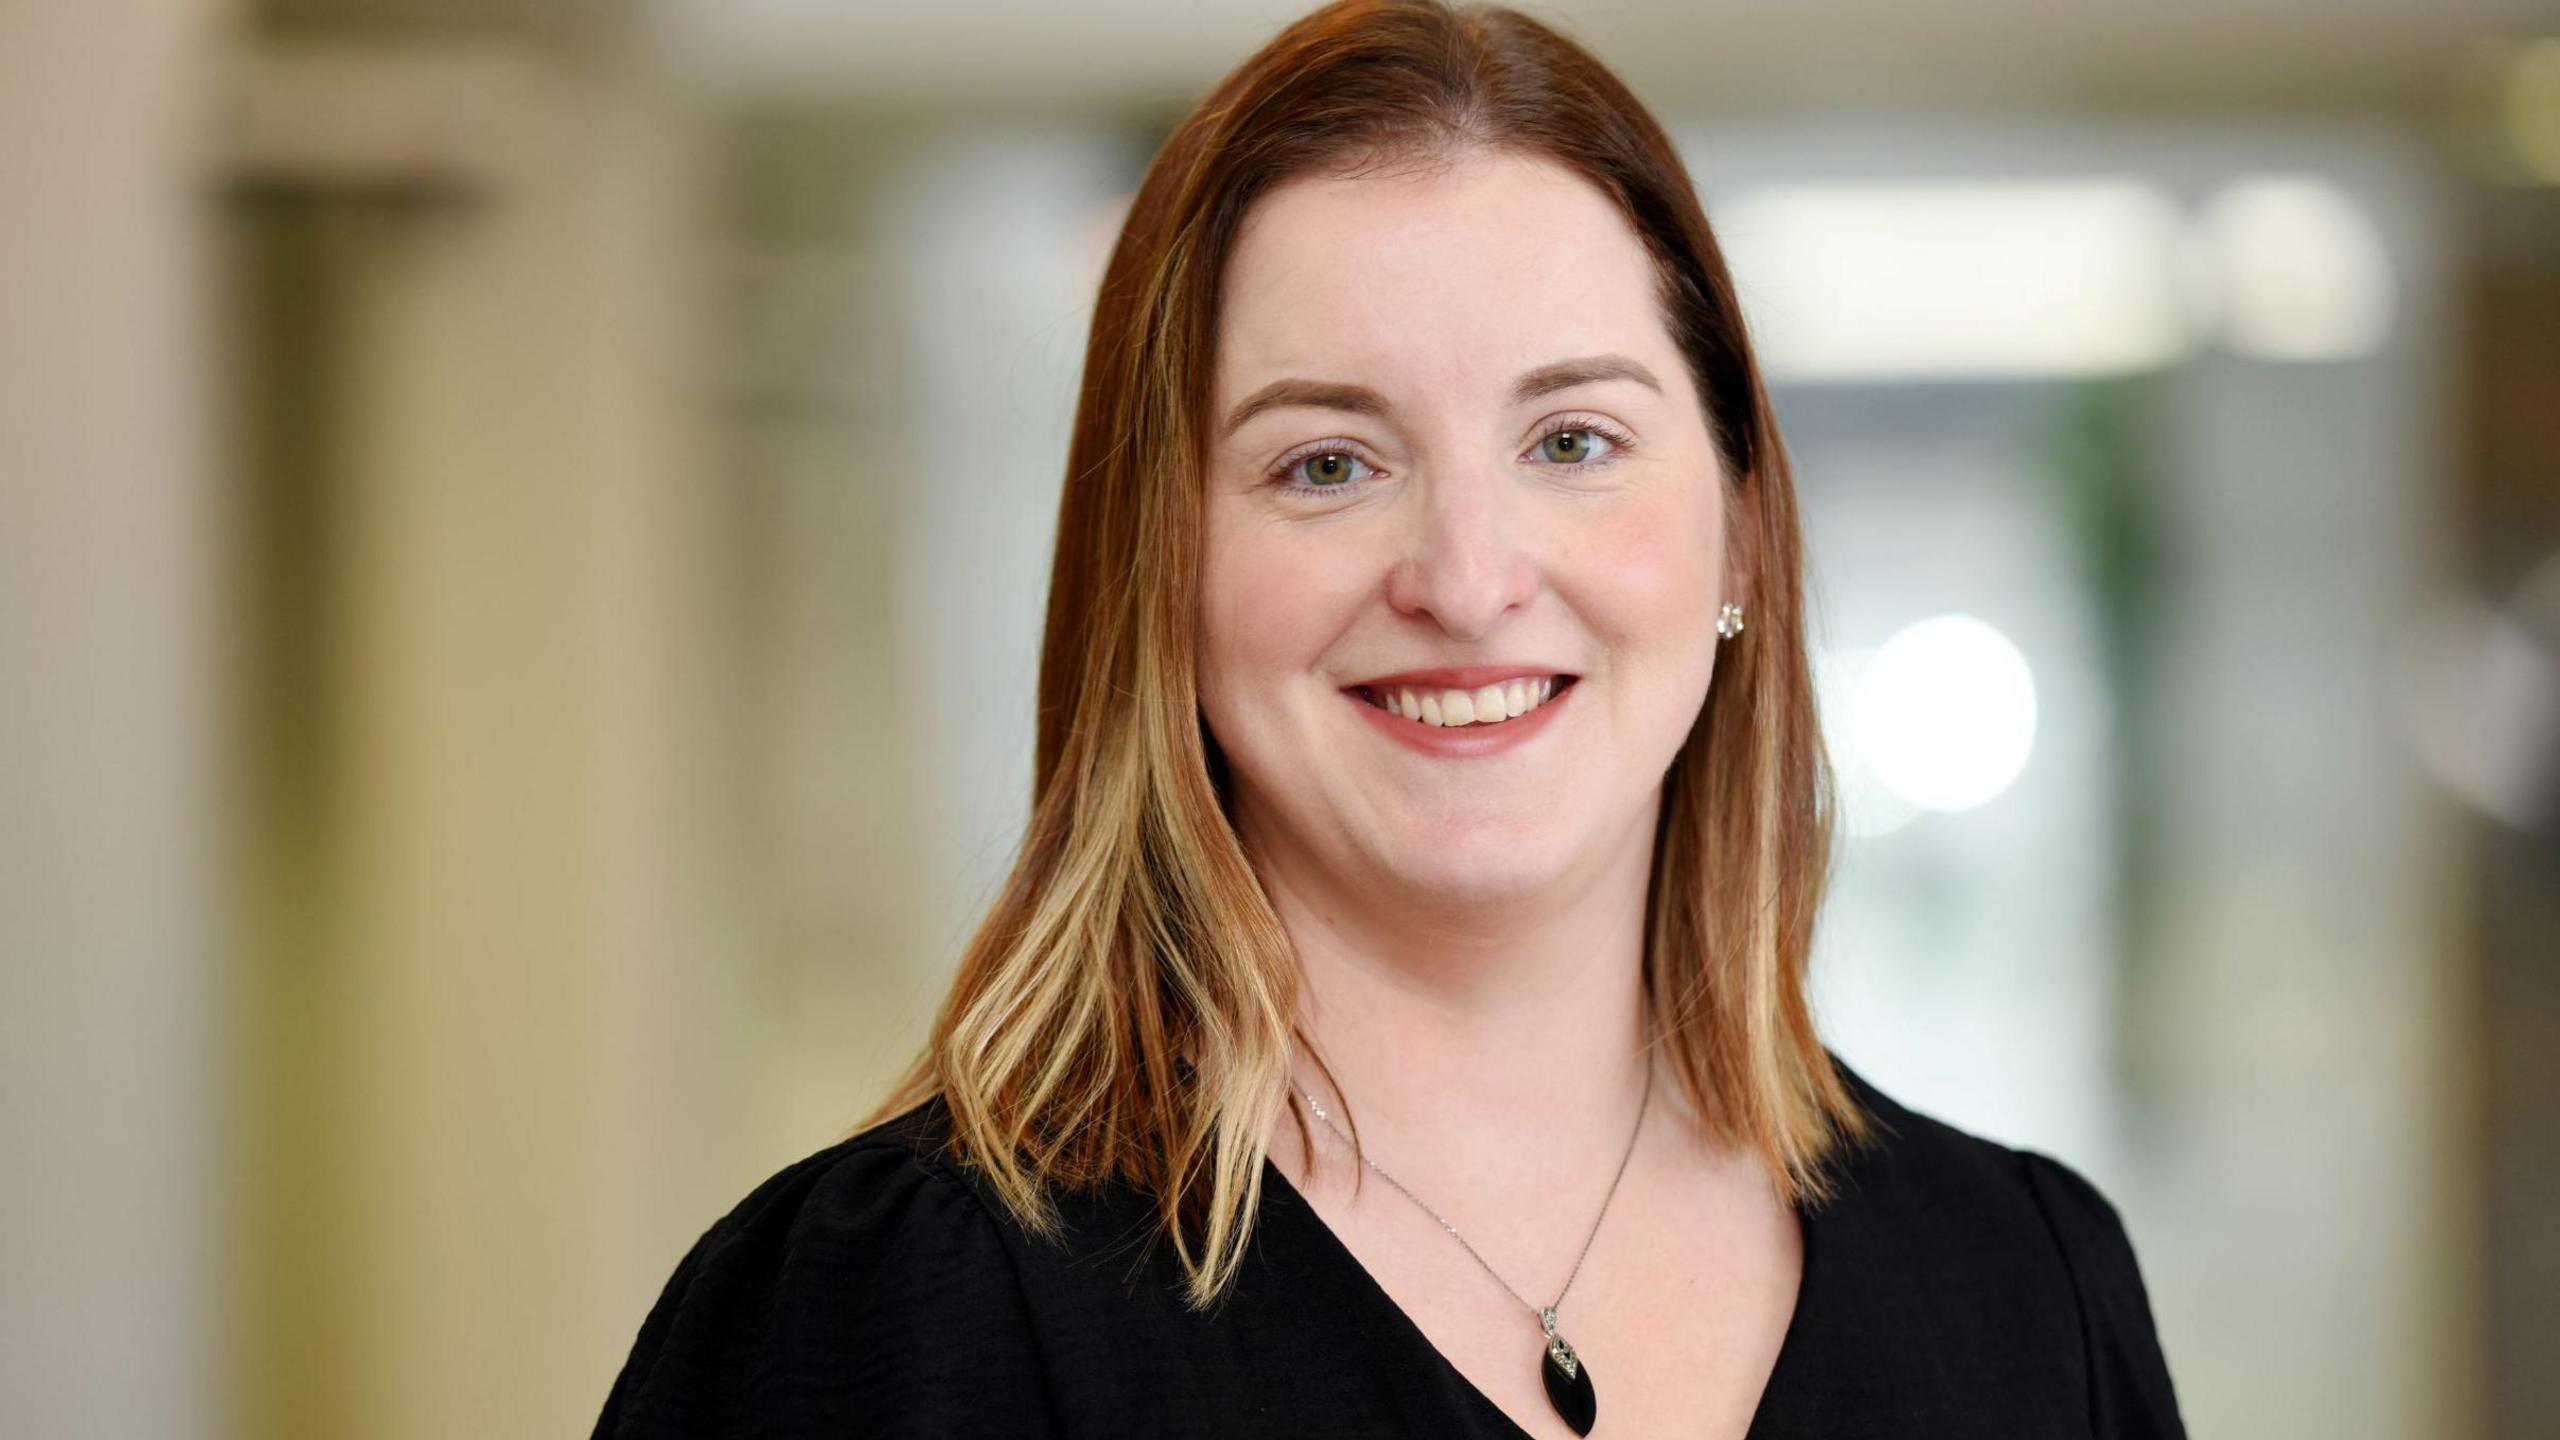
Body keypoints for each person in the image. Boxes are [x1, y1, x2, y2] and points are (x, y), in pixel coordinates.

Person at [591, 1, 2189, 1435]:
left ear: (1744, 534)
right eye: (1327, 464)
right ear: (1160, 573)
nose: (1468, 579)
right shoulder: (888, 1319)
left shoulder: (2031, 1291)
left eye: (1571, 441)